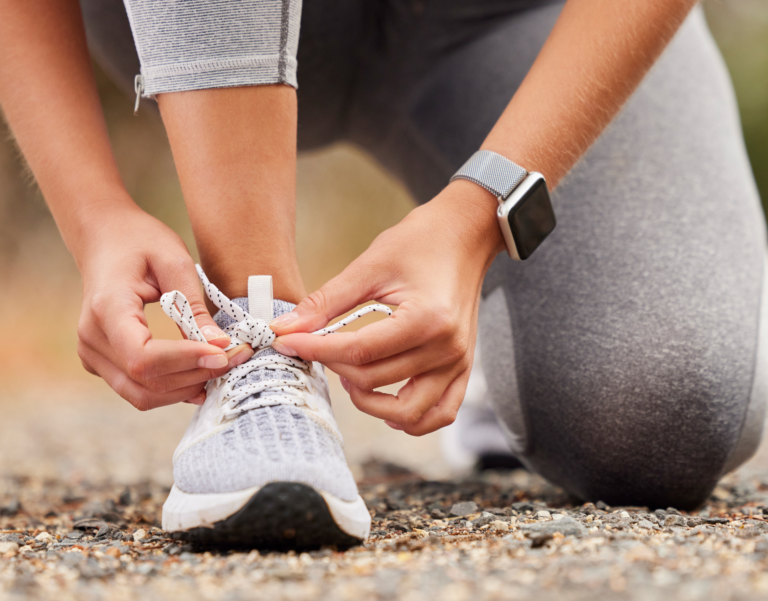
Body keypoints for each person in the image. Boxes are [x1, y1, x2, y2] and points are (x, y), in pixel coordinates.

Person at [1, 0, 764, 550]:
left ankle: (502, 337)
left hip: (504, 22)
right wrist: (92, 213)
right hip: (193, 23)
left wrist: (477, 222)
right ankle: (263, 350)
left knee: (667, 410)